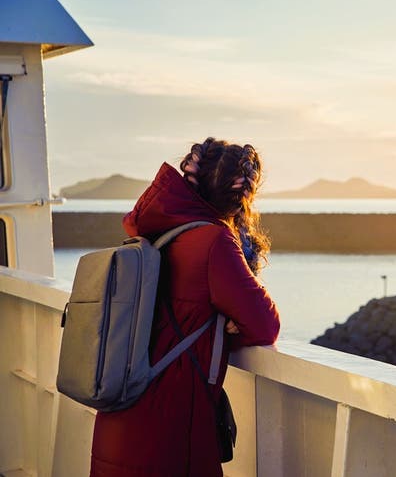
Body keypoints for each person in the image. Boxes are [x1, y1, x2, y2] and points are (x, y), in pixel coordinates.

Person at [90, 137, 281, 476]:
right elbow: (266, 324)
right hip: (171, 427)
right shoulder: (214, 242)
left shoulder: (152, 234)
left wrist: (216, 325)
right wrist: (228, 326)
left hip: (120, 414)